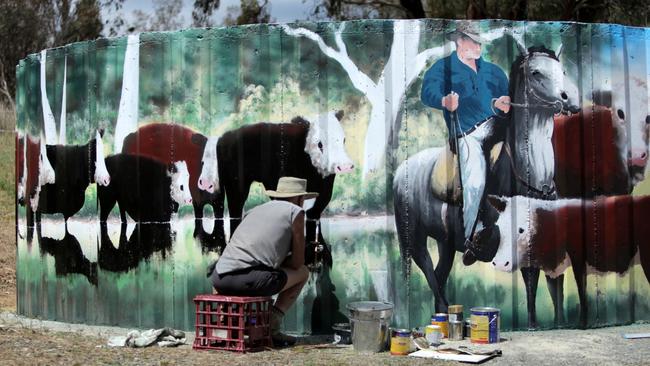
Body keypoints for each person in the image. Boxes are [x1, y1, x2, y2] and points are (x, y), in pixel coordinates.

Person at [420, 21, 510, 266]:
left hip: (498, 126)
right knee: (475, 179)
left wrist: (505, 102)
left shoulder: (495, 71)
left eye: (480, 41)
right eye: (472, 40)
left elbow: (507, 98)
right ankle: (474, 236)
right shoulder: (443, 69)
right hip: (467, 132)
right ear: (459, 41)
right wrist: (443, 101)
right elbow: (426, 92)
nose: (478, 45)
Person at [208, 176, 314, 347]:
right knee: (303, 272)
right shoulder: (296, 212)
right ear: (300, 198)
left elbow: (250, 253)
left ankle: (224, 324)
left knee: (263, 273)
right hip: (251, 282)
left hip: (219, 280)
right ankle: (273, 327)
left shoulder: (254, 210)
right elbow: (296, 264)